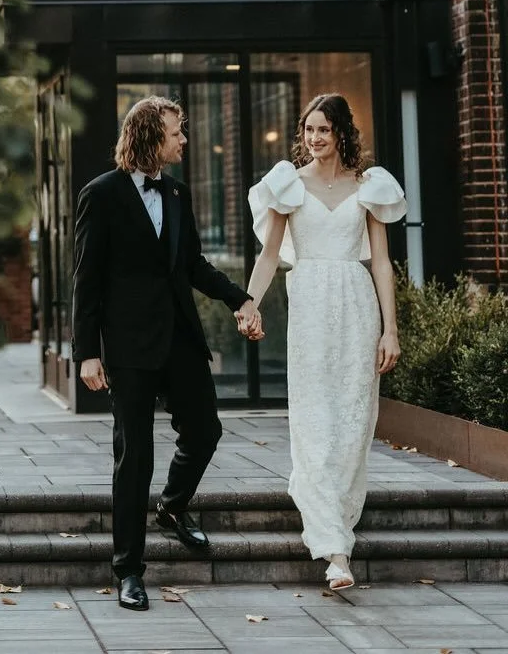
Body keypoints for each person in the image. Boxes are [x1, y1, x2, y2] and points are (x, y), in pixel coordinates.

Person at [72, 96, 262, 612]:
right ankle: (129, 571)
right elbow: (86, 281)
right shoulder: (102, 194)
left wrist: (239, 297)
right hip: (129, 346)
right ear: (151, 136)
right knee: (134, 457)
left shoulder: (177, 192)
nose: (184, 140)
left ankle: (173, 507)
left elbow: (192, 264)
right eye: (177, 133)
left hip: (179, 337)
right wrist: (86, 353)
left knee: (205, 430)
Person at [245, 92, 406, 591]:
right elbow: (270, 255)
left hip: (357, 308)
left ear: (341, 133)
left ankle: (335, 517)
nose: (315, 138)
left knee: (354, 423)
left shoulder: (369, 186)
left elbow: (379, 262)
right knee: (315, 421)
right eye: (308, 129)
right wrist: (248, 302)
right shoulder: (287, 184)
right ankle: (336, 550)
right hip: (311, 310)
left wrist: (390, 328)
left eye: (324, 129)